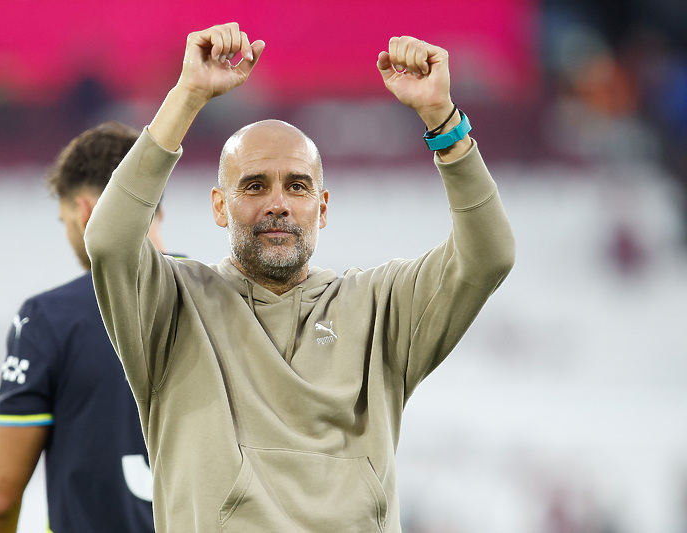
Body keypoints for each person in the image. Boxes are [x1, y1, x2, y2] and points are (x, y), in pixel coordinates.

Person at [85, 23, 515, 532]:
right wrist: (189, 94)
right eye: (254, 185)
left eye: (297, 186)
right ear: (220, 207)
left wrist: (442, 119)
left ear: (322, 207)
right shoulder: (173, 306)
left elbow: (489, 254)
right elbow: (109, 242)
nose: (278, 204)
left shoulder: (379, 306)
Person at [0, 121, 175, 533]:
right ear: (159, 207)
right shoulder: (225, 298)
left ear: (85, 214)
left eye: (64, 221)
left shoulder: (49, 319)